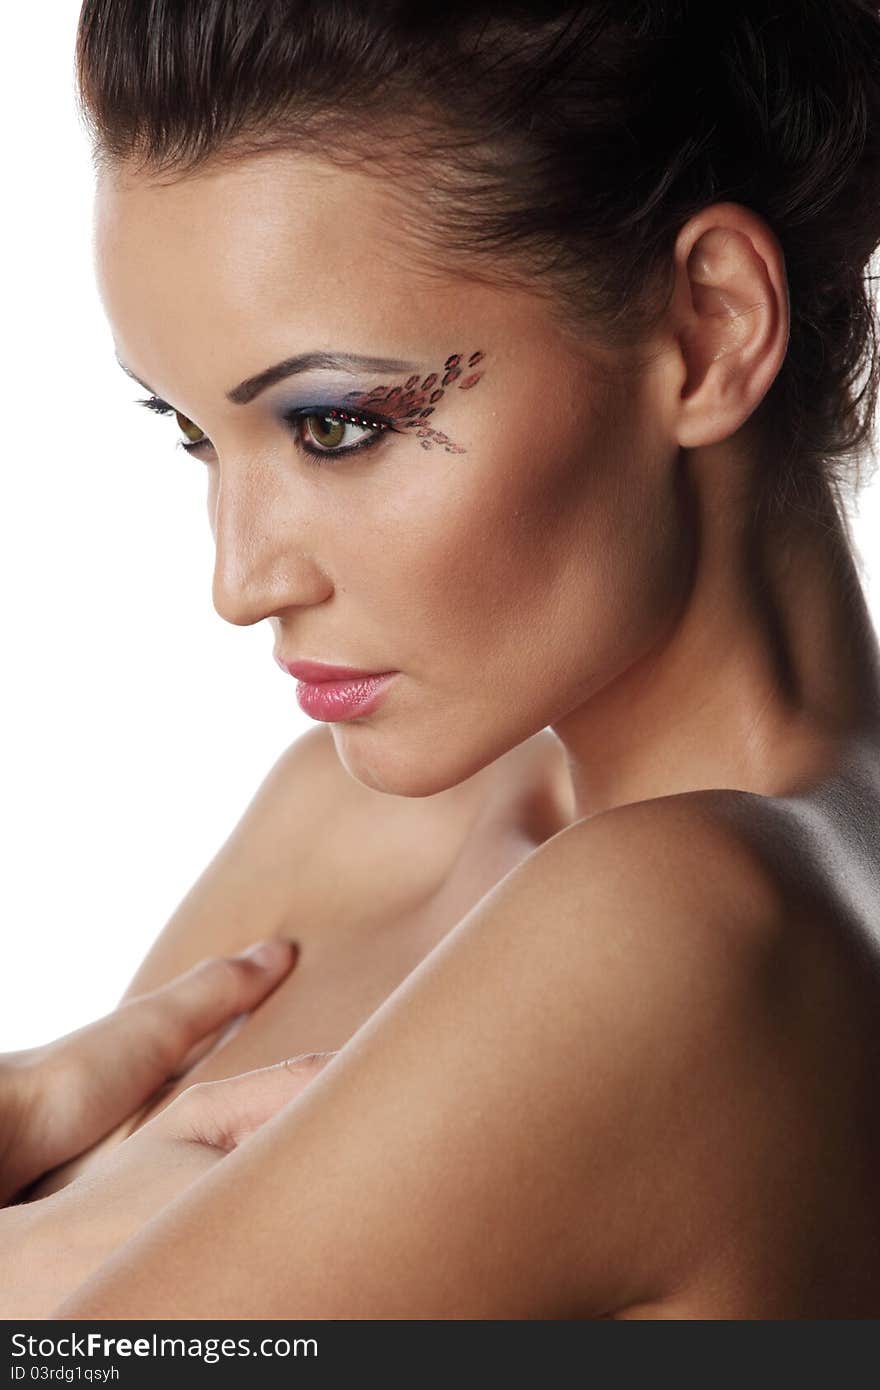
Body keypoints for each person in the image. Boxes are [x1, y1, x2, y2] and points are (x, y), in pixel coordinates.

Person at [7, 0, 880, 1318]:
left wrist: (43, 1247)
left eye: (336, 424)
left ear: (707, 328)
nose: (240, 583)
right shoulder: (349, 820)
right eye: (194, 432)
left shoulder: (683, 936)